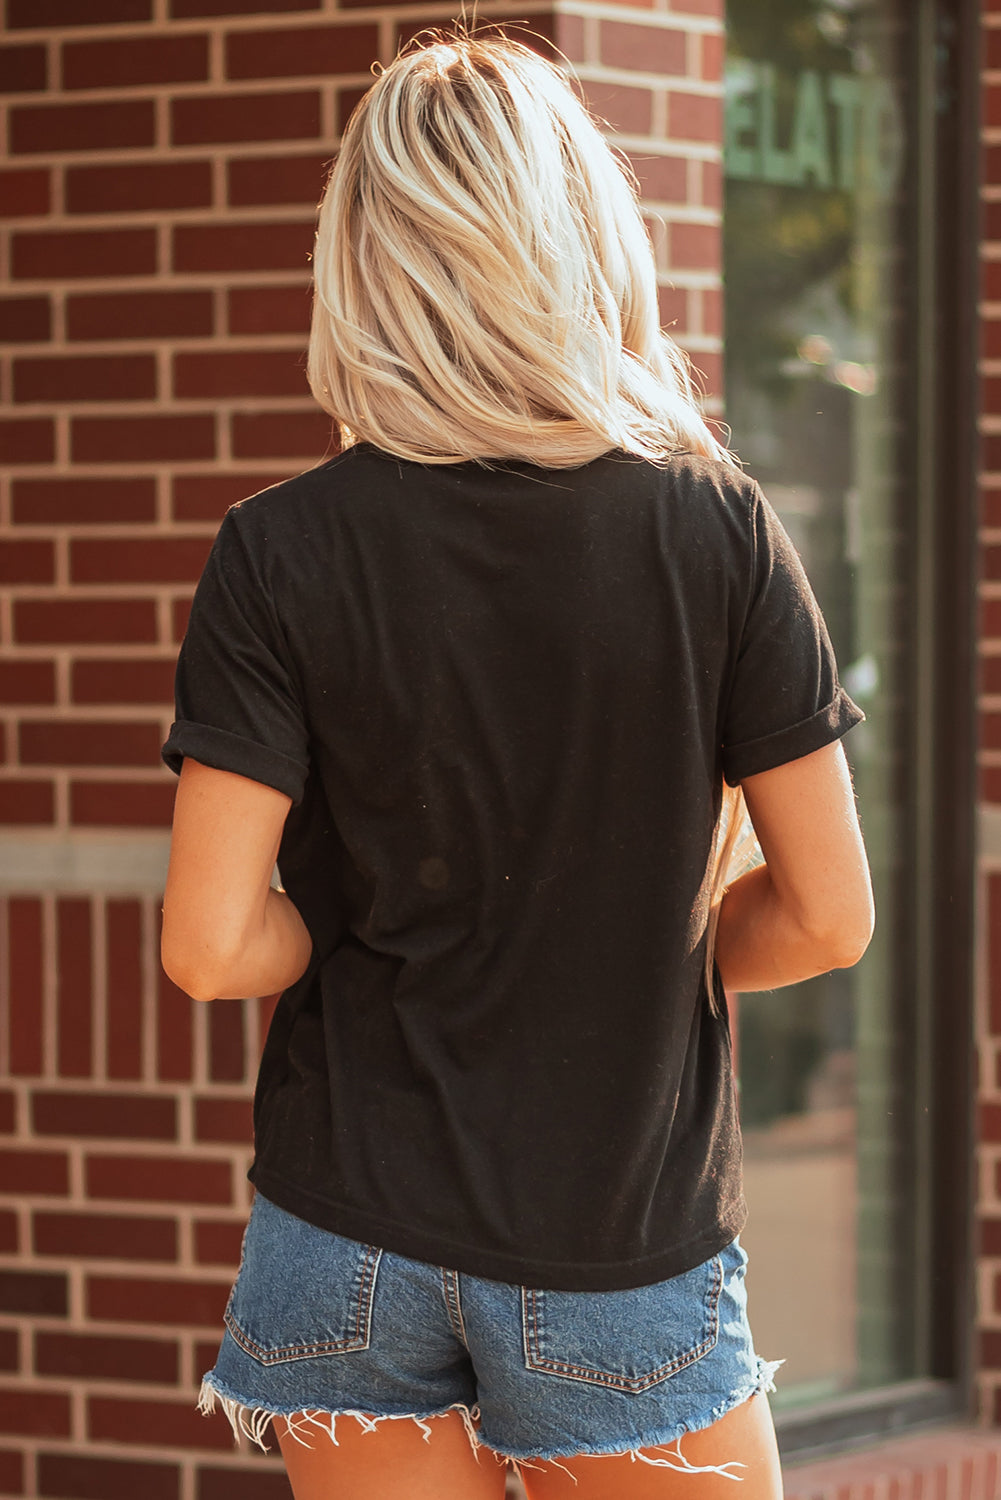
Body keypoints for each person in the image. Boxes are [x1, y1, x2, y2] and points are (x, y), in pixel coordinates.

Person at [160, 31, 874, 1500]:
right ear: (578, 242)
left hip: (343, 1232)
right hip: (615, 1231)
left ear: (361, 262)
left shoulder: (276, 552)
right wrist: (631, 960)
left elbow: (214, 944)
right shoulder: (717, 539)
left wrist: (342, 938)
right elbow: (824, 915)